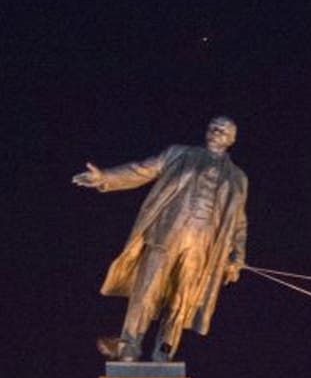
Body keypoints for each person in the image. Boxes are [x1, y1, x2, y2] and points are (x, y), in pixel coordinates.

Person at [72, 116, 249, 361]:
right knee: (146, 290)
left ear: (232, 139)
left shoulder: (238, 178)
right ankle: (129, 346)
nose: (216, 132)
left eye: (223, 130)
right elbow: (142, 169)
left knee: (182, 299)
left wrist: (236, 257)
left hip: (202, 247)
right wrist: (105, 178)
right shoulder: (179, 154)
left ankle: (164, 351)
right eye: (213, 127)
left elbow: (238, 221)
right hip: (166, 236)